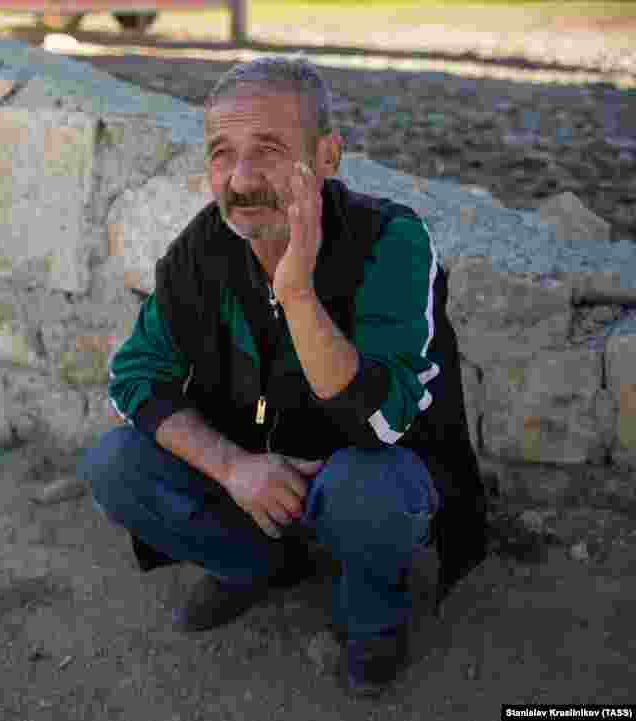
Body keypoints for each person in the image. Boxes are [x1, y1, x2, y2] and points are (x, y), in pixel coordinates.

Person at [78, 56, 488, 697]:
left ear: (327, 156)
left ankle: (373, 619)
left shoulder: (392, 241)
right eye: (222, 153)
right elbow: (135, 378)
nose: (240, 179)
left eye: (267, 150)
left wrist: (296, 293)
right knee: (115, 464)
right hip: (257, 474)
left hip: (364, 469)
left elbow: (384, 419)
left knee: (369, 492)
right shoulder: (202, 248)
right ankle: (253, 566)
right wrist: (234, 468)